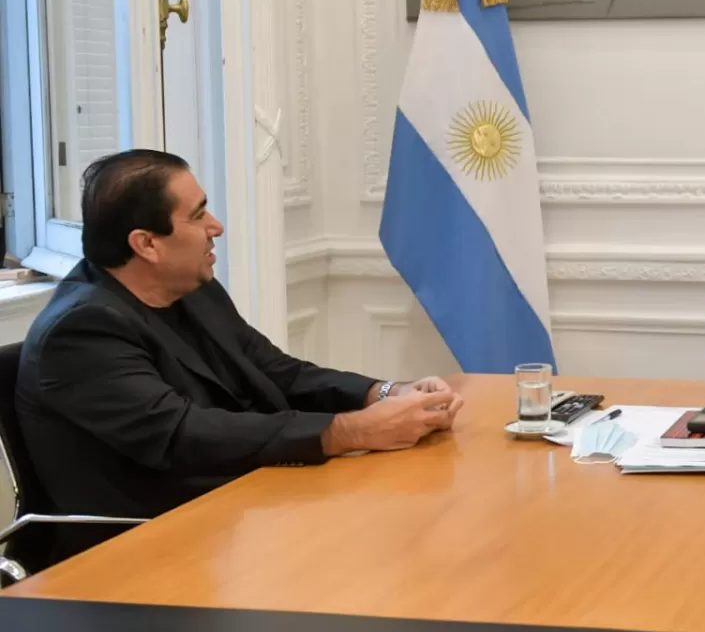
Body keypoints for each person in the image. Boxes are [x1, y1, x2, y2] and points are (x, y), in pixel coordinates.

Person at [16, 150, 464, 560]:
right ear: (146, 244)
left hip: (234, 517)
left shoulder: (192, 289)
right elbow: (181, 434)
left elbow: (276, 371)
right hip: (142, 550)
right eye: (197, 215)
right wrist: (349, 432)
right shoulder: (81, 332)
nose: (216, 226)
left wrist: (383, 394)